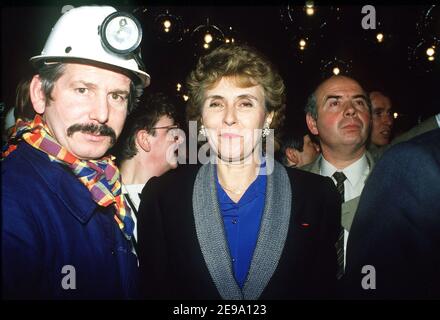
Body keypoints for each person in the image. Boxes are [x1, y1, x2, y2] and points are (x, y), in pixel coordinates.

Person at [137, 43, 341, 300]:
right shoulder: (161, 198)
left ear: (267, 117)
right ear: (201, 119)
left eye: (245, 103)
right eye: (216, 104)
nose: (229, 117)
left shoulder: (317, 196)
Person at [1, 6, 149, 299]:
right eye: (83, 90)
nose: (102, 114)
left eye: (116, 96)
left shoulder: (104, 184)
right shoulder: (11, 201)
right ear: (40, 95)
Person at [344, 128, 440, 299]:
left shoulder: (405, 166)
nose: (388, 120)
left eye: (359, 102)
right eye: (335, 102)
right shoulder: (411, 163)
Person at [301, 75, 375, 279]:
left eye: (359, 102)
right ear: (313, 123)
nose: (351, 110)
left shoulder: (397, 182)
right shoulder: (290, 188)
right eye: (335, 102)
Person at [111, 92, 181, 243]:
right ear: (144, 139)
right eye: (172, 132)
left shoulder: (175, 198)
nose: (180, 139)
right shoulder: (107, 207)